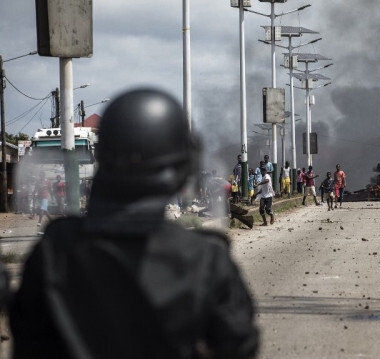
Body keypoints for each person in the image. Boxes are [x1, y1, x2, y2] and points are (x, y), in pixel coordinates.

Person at [10, 89, 259, 359]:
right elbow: (239, 346)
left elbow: (28, 343)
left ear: (103, 158)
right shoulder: (205, 259)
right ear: (182, 168)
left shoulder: (54, 252)